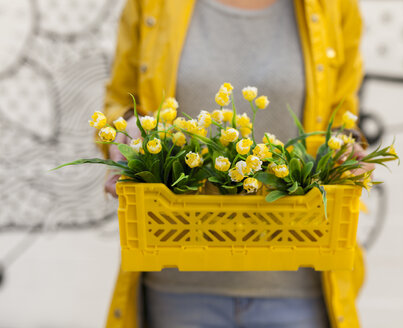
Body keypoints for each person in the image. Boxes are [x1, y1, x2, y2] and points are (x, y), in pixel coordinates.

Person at [102, 0, 368, 327]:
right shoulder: (151, 5)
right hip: (177, 285)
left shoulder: (335, 7)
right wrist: (125, 133)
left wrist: (346, 147)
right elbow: (120, 101)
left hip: (299, 286)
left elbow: (342, 113)